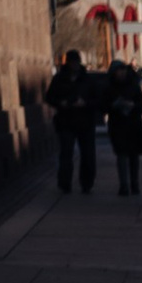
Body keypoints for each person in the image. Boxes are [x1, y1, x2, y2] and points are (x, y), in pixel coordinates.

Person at [45, 52, 102, 195]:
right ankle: (65, 183)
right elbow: (50, 97)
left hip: (85, 120)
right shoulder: (59, 79)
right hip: (66, 120)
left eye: (76, 62)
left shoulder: (87, 80)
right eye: (72, 62)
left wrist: (85, 103)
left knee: (88, 154)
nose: (74, 65)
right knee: (66, 153)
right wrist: (61, 103)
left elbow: (97, 99)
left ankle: (87, 183)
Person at [103, 69, 142, 199]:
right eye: (118, 72)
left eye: (122, 72)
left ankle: (134, 183)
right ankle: (124, 185)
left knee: (133, 156)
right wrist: (114, 106)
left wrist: (132, 105)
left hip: (133, 124)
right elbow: (103, 105)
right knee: (121, 155)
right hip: (117, 125)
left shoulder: (133, 87)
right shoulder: (110, 88)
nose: (120, 74)